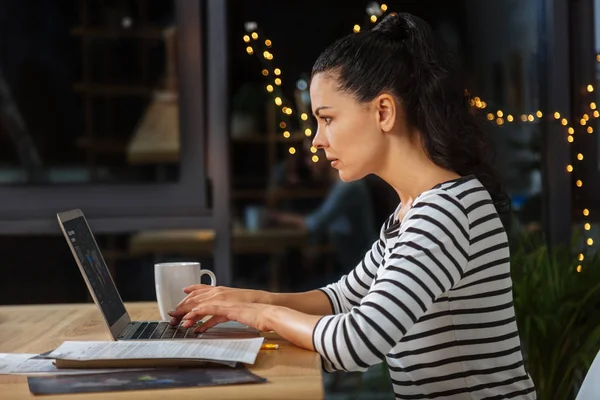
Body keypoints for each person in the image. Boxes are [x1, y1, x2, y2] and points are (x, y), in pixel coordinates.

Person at [169, 12, 536, 399]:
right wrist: (245, 299)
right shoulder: (411, 211)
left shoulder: (445, 212)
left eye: (327, 119)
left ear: (383, 112)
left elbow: (358, 341)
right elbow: (343, 298)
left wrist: (262, 315)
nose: (316, 140)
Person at [268, 138, 378, 289]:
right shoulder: (338, 185)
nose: (308, 162)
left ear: (329, 153)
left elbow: (314, 223)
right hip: (352, 269)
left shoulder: (348, 186)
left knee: (297, 289)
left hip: (364, 273)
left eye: (312, 155)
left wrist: (277, 217)